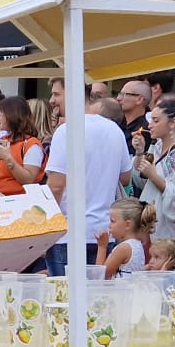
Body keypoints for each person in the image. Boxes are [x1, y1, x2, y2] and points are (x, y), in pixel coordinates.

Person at [45, 78, 132, 271]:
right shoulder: (114, 130)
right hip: (104, 231)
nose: (52, 100)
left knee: (65, 290)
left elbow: (56, 186)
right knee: (99, 290)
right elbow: (125, 178)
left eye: (56, 94)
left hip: (68, 235)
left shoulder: (66, 131)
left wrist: (44, 231)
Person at [131, 97, 175, 274]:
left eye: (156, 121)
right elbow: (141, 180)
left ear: (173, 122)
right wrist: (139, 153)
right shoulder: (158, 146)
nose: (150, 125)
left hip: (168, 230)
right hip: (153, 224)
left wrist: (154, 175)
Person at [0, 94, 47, 197]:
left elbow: (29, 179)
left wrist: (8, 159)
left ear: (11, 116)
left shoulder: (31, 144)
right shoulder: (2, 140)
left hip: (15, 201)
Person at [103, 199, 154, 277]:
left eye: (112, 221)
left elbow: (101, 275)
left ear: (127, 225)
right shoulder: (137, 244)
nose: (109, 225)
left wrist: (102, 247)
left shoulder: (124, 248)